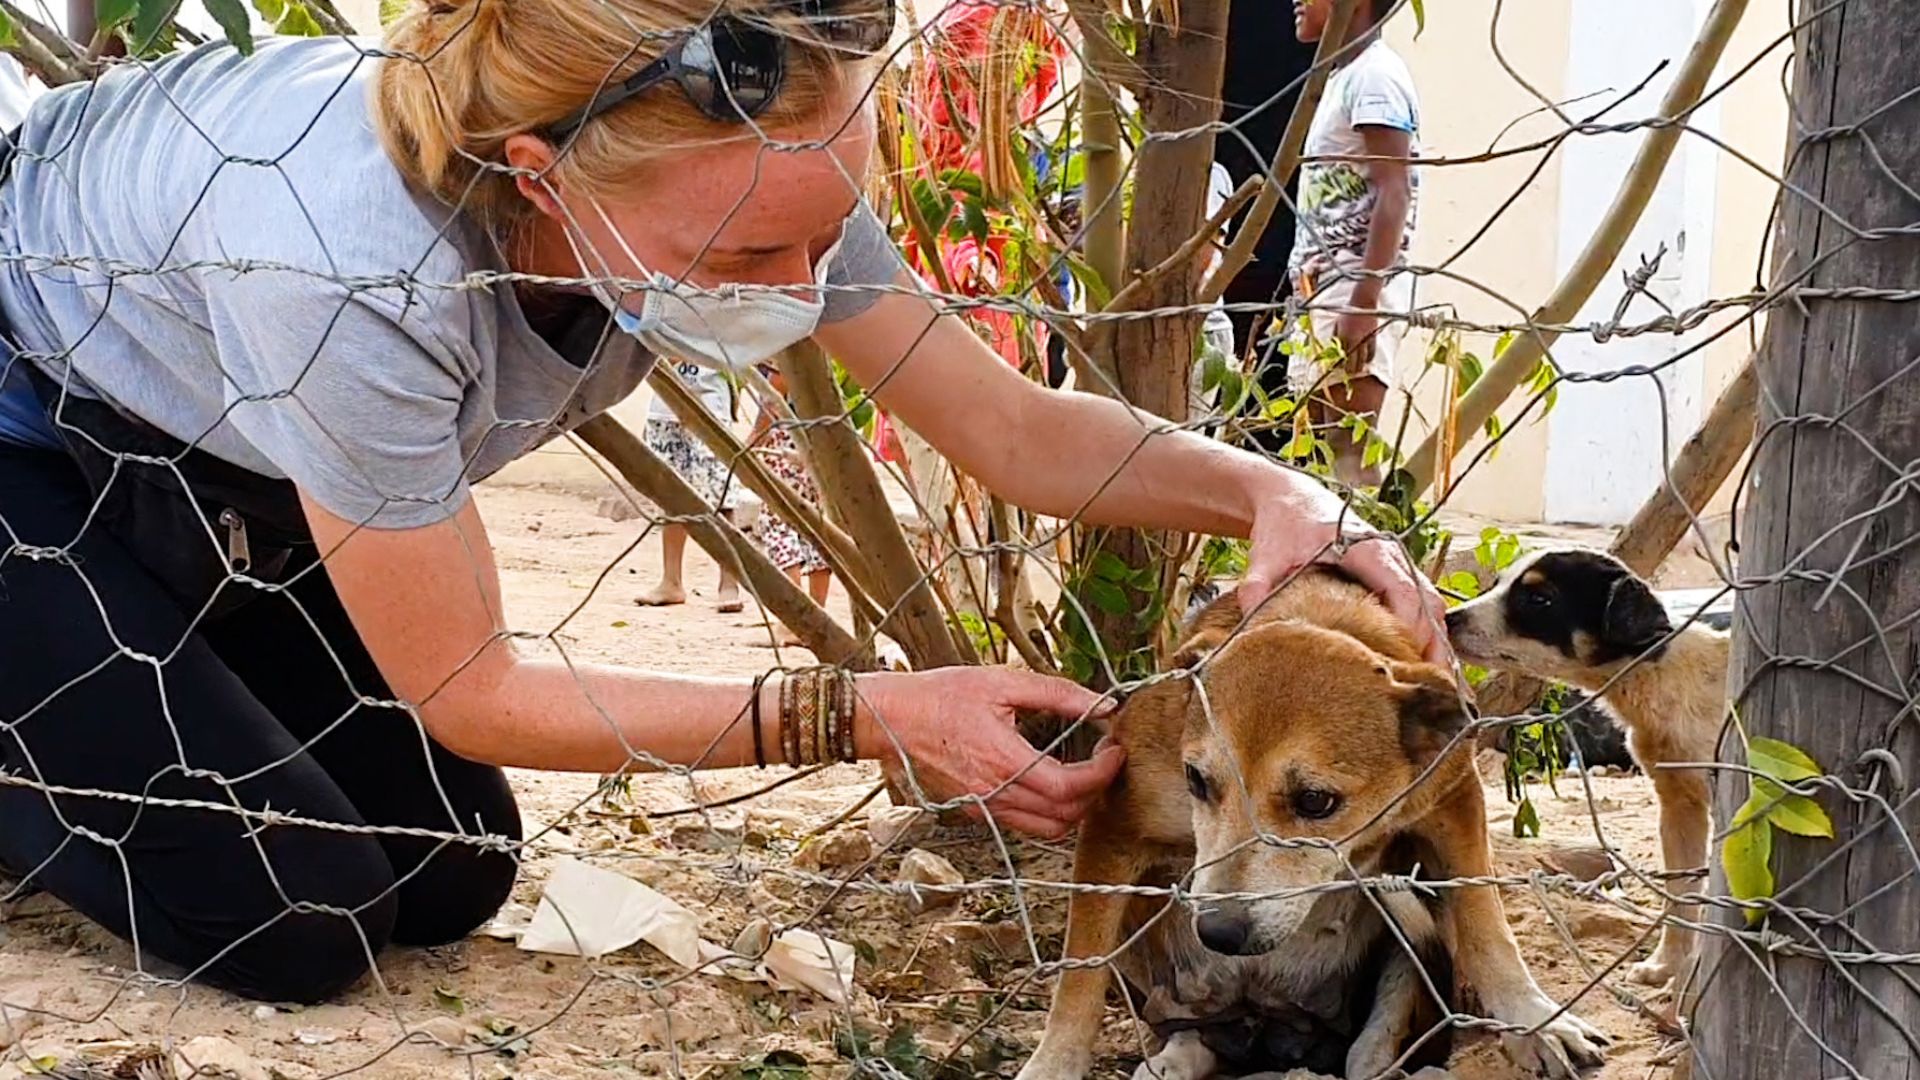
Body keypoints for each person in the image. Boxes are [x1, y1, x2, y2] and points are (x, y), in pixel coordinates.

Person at [0, 0, 1445, 1006]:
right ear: (539, 178)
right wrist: (868, 712)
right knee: (286, 916)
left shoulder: (765, 156)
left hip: (199, 459)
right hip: (30, 422)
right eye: (759, 246)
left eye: (825, 232)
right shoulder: (343, 265)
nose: (803, 284)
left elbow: (1007, 425)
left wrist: (1274, 491)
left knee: (451, 869)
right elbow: (473, 687)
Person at [1285, 0, 1421, 487]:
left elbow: (1394, 189)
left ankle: (1361, 561)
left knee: (1349, 459)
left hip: (1350, 290)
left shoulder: (1376, 77)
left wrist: (1364, 301)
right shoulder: (1343, 76)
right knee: (1320, 462)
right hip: (1323, 289)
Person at [638, 358, 744, 612]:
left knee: (720, 494)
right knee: (671, 494)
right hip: (665, 402)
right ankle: (671, 580)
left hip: (709, 400)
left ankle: (729, 584)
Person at [746, 363, 832, 645]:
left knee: (778, 524)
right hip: (819, 438)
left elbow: (777, 386)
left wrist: (755, 437)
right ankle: (817, 615)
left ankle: (794, 621)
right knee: (815, 527)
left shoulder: (779, 339)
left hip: (787, 439)